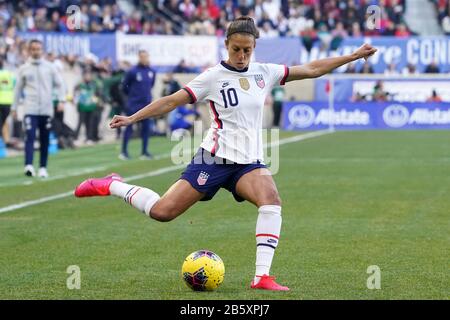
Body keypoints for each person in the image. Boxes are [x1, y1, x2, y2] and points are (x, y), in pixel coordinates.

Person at [74, 16, 377, 291]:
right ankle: (111, 184)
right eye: (236, 50)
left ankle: (261, 277)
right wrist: (131, 118)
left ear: (254, 47)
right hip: (213, 159)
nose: (242, 56)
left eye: (247, 50)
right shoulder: (212, 77)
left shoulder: (264, 73)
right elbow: (171, 101)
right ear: (226, 46)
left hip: (248, 163)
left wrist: (352, 56)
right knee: (163, 212)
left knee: (271, 200)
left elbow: (312, 69)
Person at [11, 39, 65, 178]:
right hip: (30, 109)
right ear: (29, 51)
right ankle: (28, 165)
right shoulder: (24, 68)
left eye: (38, 49)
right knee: (29, 136)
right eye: (33, 49)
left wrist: (61, 100)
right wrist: (14, 107)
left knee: (44, 138)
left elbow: (60, 84)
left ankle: (42, 167)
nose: (36, 51)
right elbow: (17, 89)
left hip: (46, 110)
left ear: (42, 50)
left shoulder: (50, 67)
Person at [120, 50, 156, 160]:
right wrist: (131, 98)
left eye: (146, 56)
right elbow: (124, 87)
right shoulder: (132, 71)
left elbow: (151, 86)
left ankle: (144, 152)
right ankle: (124, 152)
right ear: (139, 57)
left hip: (146, 105)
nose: (144, 59)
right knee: (128, 128)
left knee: (146, 129)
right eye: (142, 57)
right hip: (133, 105)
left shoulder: (152, 71)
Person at [0, 58, 14, 145]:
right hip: (8, 102)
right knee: (3, 122)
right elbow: (14, 83)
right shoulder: (9, 74)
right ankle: (6, 140)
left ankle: (3, 142)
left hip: (0, 102)